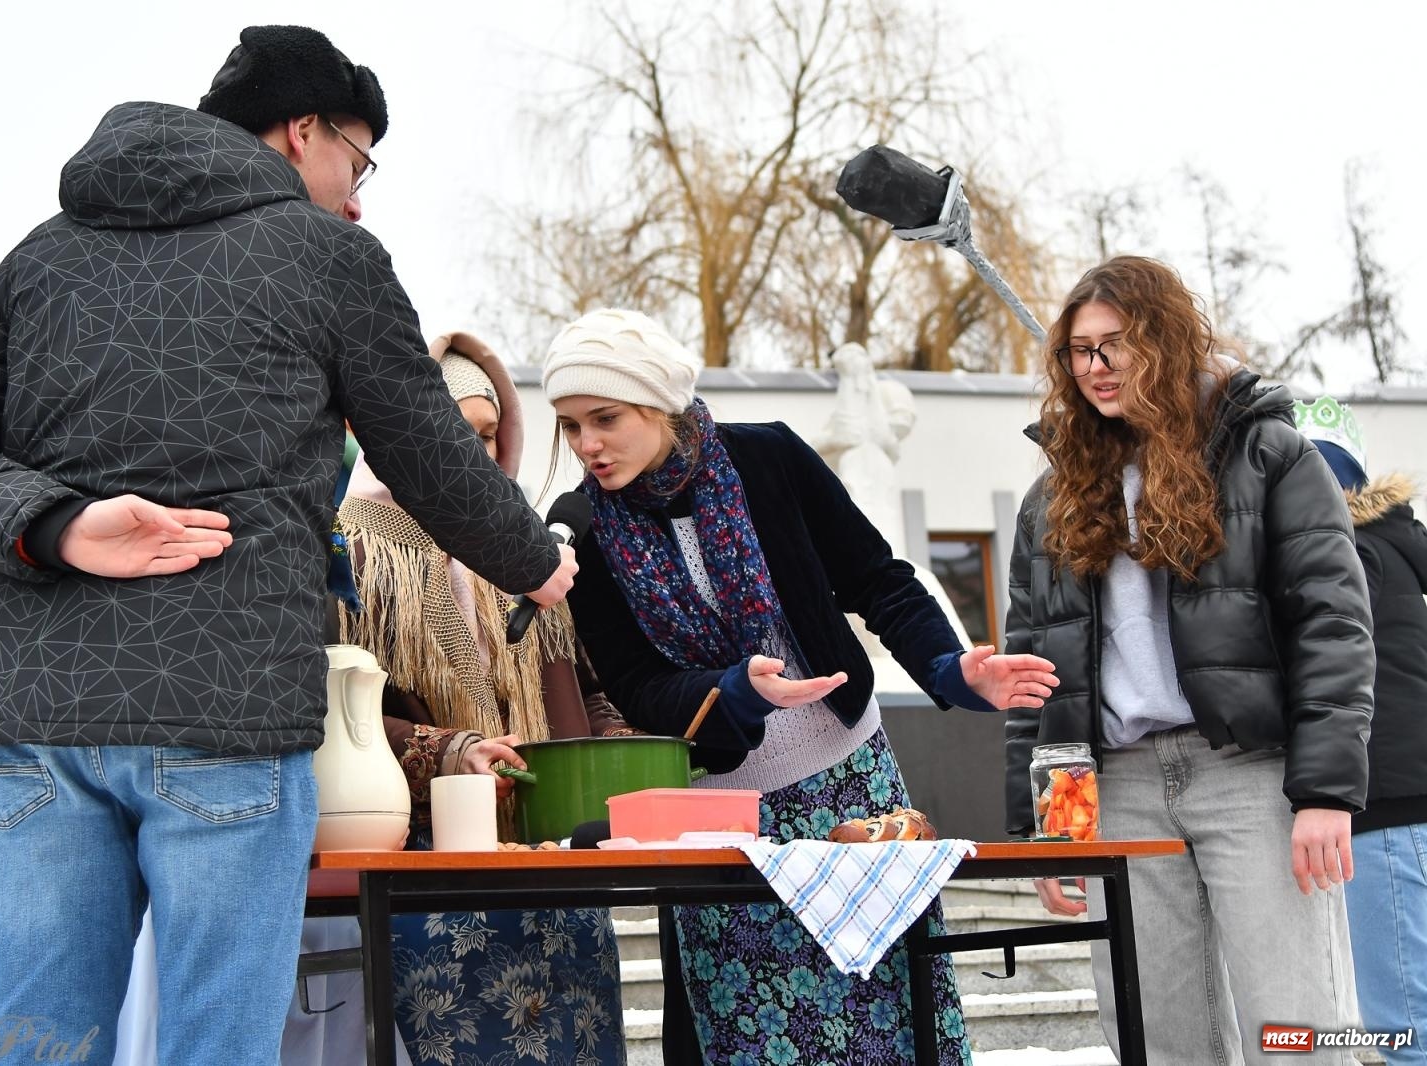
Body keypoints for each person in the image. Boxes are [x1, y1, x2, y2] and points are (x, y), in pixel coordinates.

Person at [0, 25, 575, 1066]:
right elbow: (431, 451)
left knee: (33, 1053)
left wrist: (56, 523)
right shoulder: (332, 259)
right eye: (359, 156)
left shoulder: (41, 255)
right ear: (302, 133)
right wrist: (536, 560)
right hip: (228, 711)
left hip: (43, 721)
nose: (361, 190)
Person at [540, 308, 1057, 1065]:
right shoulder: (580, 529)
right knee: (758, 1041)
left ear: (658, 401)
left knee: (888, 1023)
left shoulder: (769, 458)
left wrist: (951, 669)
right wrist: (734, 692)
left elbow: (879, 582)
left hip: (855, 791)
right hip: (721, 829)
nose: (587, 444)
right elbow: (639, 689)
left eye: (604, 418)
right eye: (570, 425)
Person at [1005, 257, 1373, 1065]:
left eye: (1115, 345)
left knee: (1298, 1033)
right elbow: (1032, 662)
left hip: (1251, 776)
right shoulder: (1053, 496)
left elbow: (1332, 626)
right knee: (1158, 1040)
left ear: (1165, 342)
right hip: (1119, 785)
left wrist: (1325, 792)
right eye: (1078, 351)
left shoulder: (1268, 456)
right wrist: (1049, 828)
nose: (1093, 368)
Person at [331, 331, 630, 1066]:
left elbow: (583, 684)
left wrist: (615, 745)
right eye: (451, 434)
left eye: (489, 436)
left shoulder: (531, 549)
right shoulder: (343, 549)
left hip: (555, 872)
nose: (474, 454)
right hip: (431, 879)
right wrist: (448, 750)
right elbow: (328, 705)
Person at [1297, 396, 1427, 1064]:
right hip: (1409, 805)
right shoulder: (1407, 546)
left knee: (1404, 1024)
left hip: (1388, 810)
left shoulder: (1342, 555)